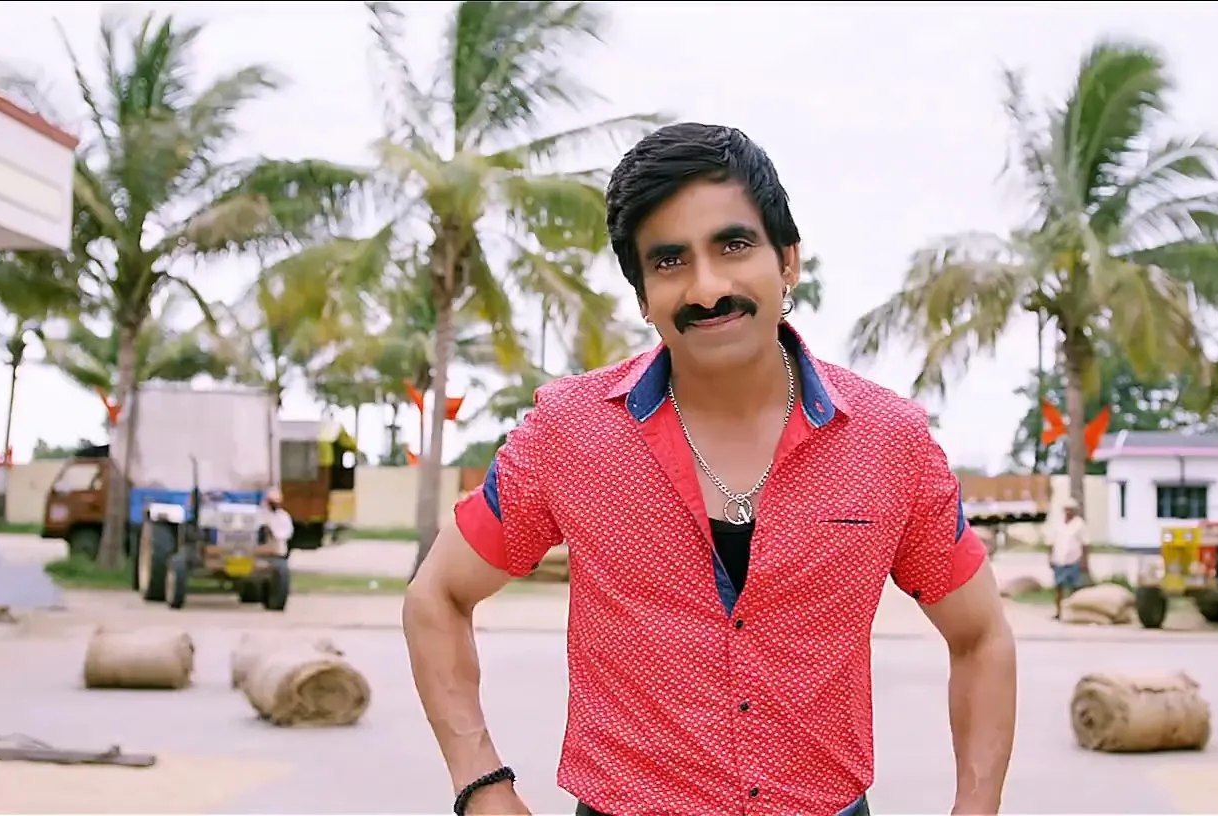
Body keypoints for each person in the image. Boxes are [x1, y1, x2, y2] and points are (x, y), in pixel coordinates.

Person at [403, 123, 1016, 816]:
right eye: (669, 261)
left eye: (733, 246)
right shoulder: (569, 433)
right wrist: (482, 787)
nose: (706, 288)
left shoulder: (888, 441)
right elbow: (437, 597)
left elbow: (981, 636)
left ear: (788, 261)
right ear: (643, 297)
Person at [1049, 503, 1088, 620]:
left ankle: (1074, 612)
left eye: (1070, 510)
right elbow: (1051, 542)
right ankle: (1058, 612)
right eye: (1066, 510)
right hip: (1059, 559)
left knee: (1074, 587)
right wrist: (1050, 557)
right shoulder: (1058, 523)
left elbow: (1085, 544)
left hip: (1074, 559)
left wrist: (1084, 561)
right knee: (1058, 587)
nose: (1068, 512)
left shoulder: (1079, 524)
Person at [260, 488, 293, 556]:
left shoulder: (284, 516)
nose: (274, 505)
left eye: (276, 503)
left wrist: (273, 533)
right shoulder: (261, 514)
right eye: (272, 503)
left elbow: (288, 533)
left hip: (278, 552)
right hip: (262, 553)